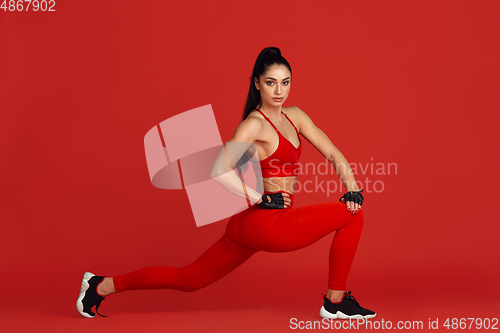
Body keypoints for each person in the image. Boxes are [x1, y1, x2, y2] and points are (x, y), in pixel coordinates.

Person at [76, 46, 376, 320]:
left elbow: (334, 153)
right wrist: (260, 199)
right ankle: (335, 302)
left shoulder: (295, 116)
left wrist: (352, 188)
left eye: (285, 82)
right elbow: (219, 169)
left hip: (247, 226)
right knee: (353, 216)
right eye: (271, 82)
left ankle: (101, 285)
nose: (279, 90)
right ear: (257, 83)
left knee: (188, 280)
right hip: (267, 222)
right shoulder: (254, 124)